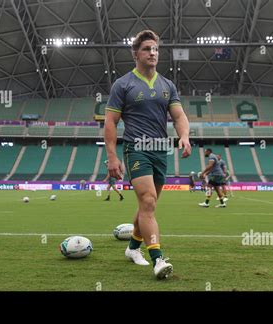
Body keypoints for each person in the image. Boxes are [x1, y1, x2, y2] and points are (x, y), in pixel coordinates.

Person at [104, 30, 191, 279]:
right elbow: (110, 122)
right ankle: (158, 259)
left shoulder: (167, 85)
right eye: (146, 49)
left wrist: (184, 135)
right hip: (136, 147)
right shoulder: (123, 84)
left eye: (155, 49)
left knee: (146, 206)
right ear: (135, 54)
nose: (152, 53)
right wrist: (112, 157)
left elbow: (178, 115)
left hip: (159, 150)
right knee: (149, 201)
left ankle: (133, 248)